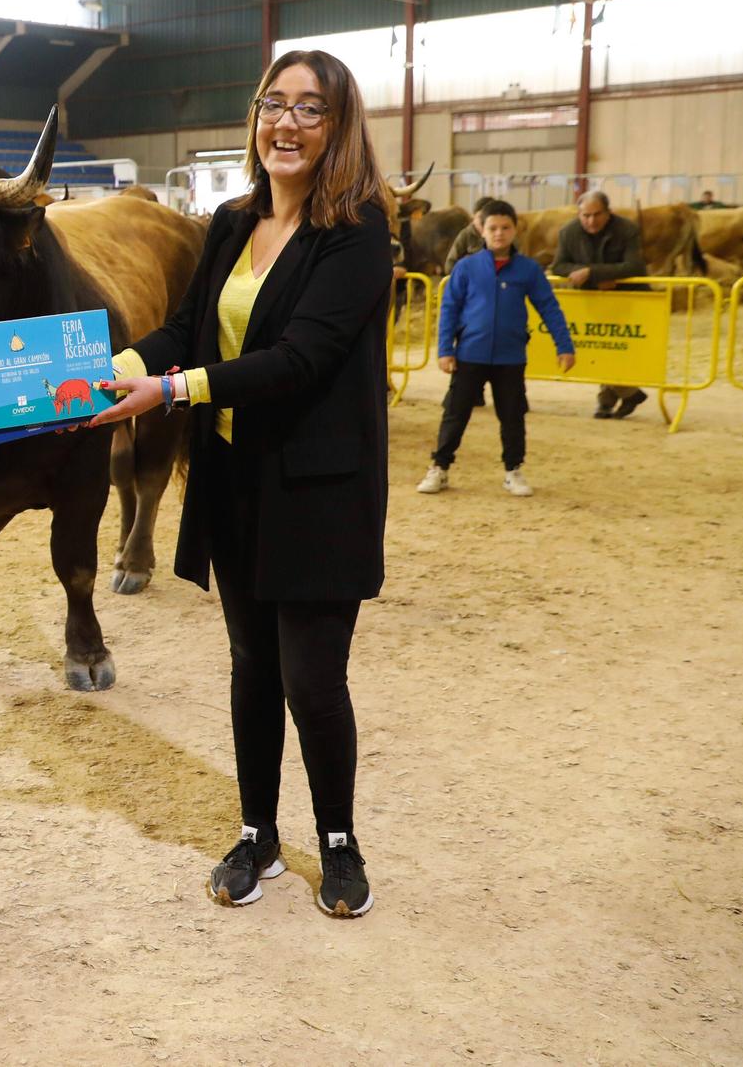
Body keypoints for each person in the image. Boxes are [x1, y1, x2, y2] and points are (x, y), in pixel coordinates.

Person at [93, 48, 396, 921]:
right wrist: (107, 372)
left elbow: (301, 359)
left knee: (311, 677)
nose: (287, 123)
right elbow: (186, 327)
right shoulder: (230, 222)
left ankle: (337, 839)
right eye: (275, 104)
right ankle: (257, 830)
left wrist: (172, 390)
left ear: (339, 128)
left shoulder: (358, 230)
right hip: (233, 481)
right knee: (252, 667)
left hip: (317, 489)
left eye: (310, 108)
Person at [418, 202, 576, 497]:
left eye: (505, 228)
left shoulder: (528, 270)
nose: (499, 234)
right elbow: (450, 309)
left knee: (512, 415)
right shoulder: (466, 267)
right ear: (481, 229)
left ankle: (513, 470)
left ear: (515, 230)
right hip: (469, 355)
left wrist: (564, 346)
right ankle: (439, 468)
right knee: (455, 413)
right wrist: (444, 349)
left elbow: (549, 308)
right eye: (493, 228)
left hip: (510, 357)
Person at [549, 190, 648, 419]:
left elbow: (635, 266)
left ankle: (609, 399)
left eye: (596, 215)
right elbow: (558, 266)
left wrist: (592, 272)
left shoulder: (628, 229)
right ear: (578, 214)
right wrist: (588, 275)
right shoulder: (568, 231)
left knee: (615, 349)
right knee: (599, 348)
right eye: (585, 216)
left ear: (608, 212)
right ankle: (627, 394)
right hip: (592, 300)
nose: (591, 221)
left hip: (627, 300)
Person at [443, 196, 510, 268]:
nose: (483, 221)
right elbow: (450, 264)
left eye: (488, 217)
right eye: (480, 217)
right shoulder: (466, 235)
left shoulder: (504, 234)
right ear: (473, 218)